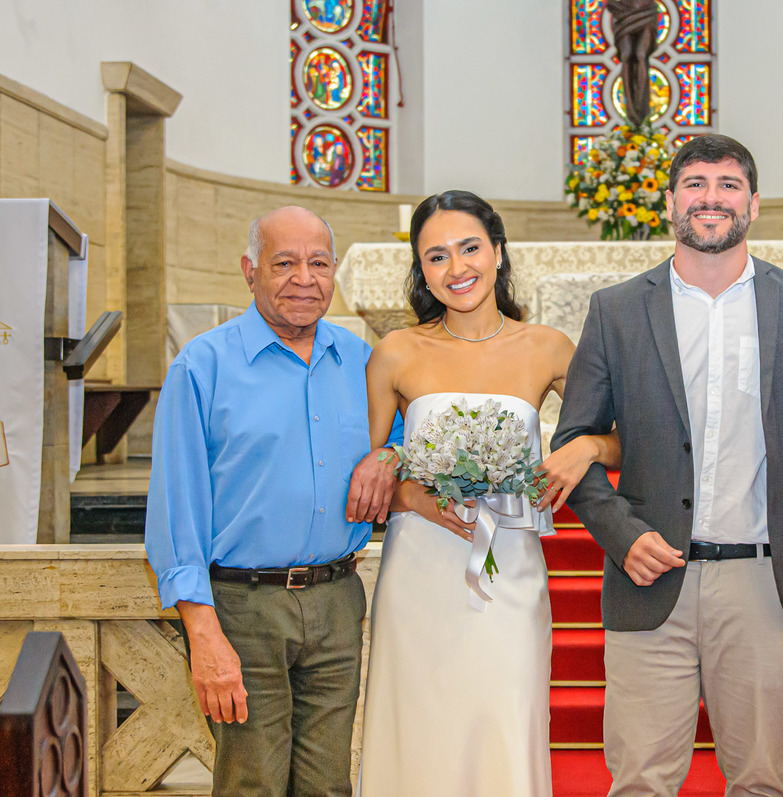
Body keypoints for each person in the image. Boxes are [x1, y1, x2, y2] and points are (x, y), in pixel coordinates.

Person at [553, 134, 783, 796]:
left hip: (762, 581)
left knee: (764, 779)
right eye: (695, 184)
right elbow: (574, 440)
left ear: (754, 203)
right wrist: (623, 537)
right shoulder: (617, 310)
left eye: (728, 184)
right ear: (669, 202)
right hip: (650, 576)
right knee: (640, 781)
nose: (711, 197)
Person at [356, 190, 620, 796]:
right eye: (436, 257)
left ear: (498, 252)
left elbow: (622, 440)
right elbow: (369, 479)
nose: (457, 268)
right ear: (421, 270)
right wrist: (417, 497)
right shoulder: (397, 352)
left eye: (470, 248)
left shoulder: (547, 347)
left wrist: (586, 448)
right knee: (419, 724)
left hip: (509, 570)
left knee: (506, 713)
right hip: (420, 568)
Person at [145, 206, 399, 796]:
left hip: (338, 598)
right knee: (251, 783)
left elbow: (408, 434)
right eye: (284, 263)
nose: (303, 279)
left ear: (335, 271)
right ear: (249, 270)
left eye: (318, 263)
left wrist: (388, 456)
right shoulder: (202, 367)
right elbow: (174, 509)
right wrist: (203, 633)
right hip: (242, 607)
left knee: (327, 784)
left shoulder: (362, 361)